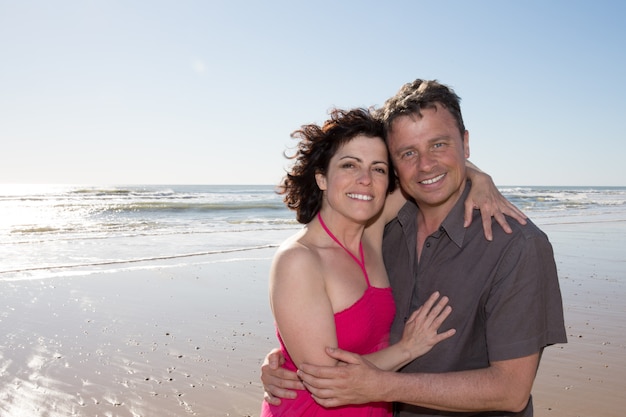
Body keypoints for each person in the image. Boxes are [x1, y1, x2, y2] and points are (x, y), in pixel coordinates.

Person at [262, 79, 567, 417]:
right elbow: (325, 365)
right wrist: (287, 359)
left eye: (439, 144)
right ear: (322, 177)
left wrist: (479, 177)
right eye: (407, 153)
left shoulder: (515, 244)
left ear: (465, 144)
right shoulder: (378, 230)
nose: (425, 164)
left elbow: (512, 392)